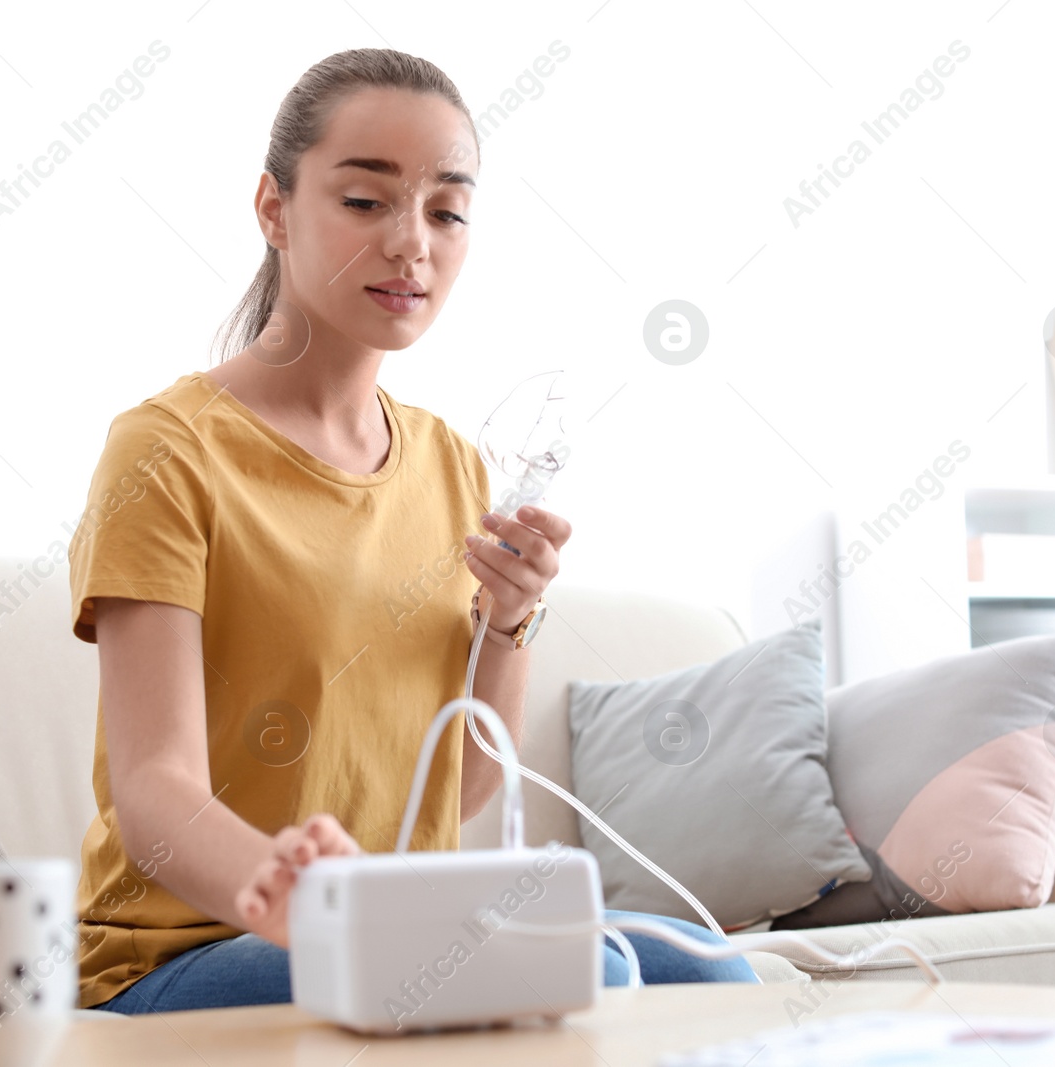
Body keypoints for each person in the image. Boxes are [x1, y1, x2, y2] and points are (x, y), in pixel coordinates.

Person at [66, 46, 757, 1018]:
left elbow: (465, 781)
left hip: (406, 936)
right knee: (594, 971)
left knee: (718, 973)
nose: (410, 244)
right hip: (185, 957)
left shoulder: (451, 465)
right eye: (365, 201)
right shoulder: (168, 452)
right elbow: (152, 789)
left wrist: (508, 618)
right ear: (273, 208)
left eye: (445, 210)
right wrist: (298, 891)